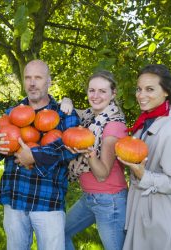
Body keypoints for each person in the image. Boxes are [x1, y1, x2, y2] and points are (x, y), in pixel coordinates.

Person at [0, 59, 80, 250]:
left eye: (38, 78)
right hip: (15, 199)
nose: (32, 83)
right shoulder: (12, 113)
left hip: (48, 201)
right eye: (28, 78)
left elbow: (69, 148)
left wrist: (34, 155)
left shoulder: (64, 113)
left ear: (49, 81)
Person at [119, 64, 171, 250]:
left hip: (163, 222)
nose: (141, 95)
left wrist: (144, 176)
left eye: (150, 89)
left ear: (166, 92)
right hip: (141, 213)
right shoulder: (146, 122)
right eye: (139, 89)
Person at [63, 71, 127, 250]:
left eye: (102, 91)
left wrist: (88, 153)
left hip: (109, 199)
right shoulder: (90, 116)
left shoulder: (113, 125)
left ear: (113, 94)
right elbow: (69, 109)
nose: (96, 96)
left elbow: (102, 174)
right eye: (92, 90)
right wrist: (66, 100)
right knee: (60, 233)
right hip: (90, 197)